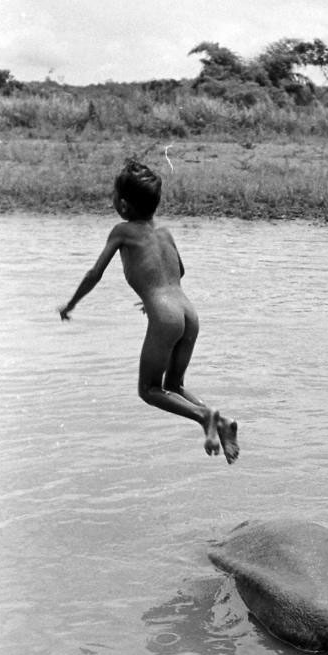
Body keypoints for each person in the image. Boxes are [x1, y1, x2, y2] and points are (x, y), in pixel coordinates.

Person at [59, 159, 238, 463]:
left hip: (166, 319)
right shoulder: (165, 233)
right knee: (174, 385)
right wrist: (154, 295)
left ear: (124, 205)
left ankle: (204, 416)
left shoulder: (122, 231)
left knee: (148, 390)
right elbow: (178, 270)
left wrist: (71, 304)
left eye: (114, 195)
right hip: (188, 313)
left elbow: (94, 274)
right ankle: (220, 423)